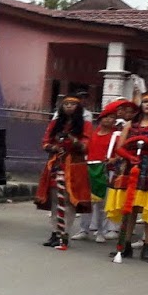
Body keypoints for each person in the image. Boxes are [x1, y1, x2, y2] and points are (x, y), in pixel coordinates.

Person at [36, 94, 91, 251]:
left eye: (72, 104)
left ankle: (64, 234)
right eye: (66, 104)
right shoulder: (55, 123)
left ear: (78, 107)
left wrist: (72, 140)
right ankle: (55, 232)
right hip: (56, 164)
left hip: (74, 166)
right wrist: (53, 147)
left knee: (69, 201)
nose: (68, 106)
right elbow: (45, 142)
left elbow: (86, 146)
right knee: (55, 199)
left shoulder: (85, 125)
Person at [109, 93, 148, 263]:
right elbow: (120, 147)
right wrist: (129, 157)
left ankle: (147, 246)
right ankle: (125, 244)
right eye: (146, 102)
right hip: (132, 168)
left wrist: (143, 139)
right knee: (130, 208)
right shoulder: (130, 124)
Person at [76, 104, 122, 242]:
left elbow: (121, 152)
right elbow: (85, 150)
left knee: (103, 203)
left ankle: (102, 231)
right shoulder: (91, 134)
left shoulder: (116, 135)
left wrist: (114, 159)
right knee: (86, 201)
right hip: (89, 169)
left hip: (107, 171)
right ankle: (84, 230)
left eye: (112, 117)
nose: (108, 119)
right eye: (106, 117)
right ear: (100, 119)